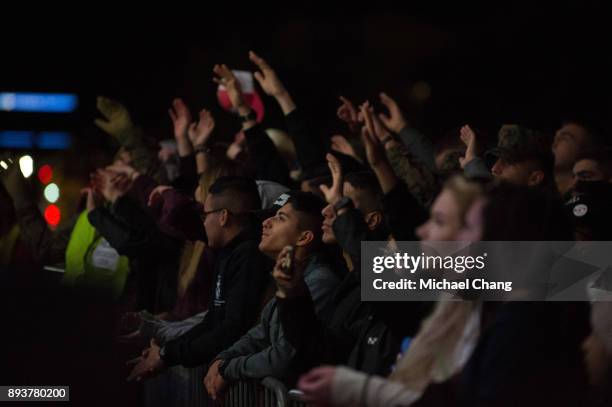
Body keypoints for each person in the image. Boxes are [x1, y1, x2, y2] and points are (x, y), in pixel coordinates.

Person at [126, 176, 272, 382]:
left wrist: (167, 355)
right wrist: (167, 352)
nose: (203, 221)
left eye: (205, 215)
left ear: (223, 217)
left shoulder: (249, 256)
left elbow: (232, 328)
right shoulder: (227, 253)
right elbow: (213, 320)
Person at [203, 192, 341, 400]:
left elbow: (285, 355)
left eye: (280, 218)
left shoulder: (318, 282)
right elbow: (259, 334)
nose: (267, 222)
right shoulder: (291, 277)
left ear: (304, 237)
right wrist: (223, 359)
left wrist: (229, 368)